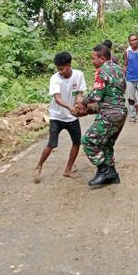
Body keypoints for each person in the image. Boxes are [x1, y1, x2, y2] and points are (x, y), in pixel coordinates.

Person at [78, 43, 128, 187]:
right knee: (106, 144)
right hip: (121, 113)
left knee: (88, 141)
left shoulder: (102, 71)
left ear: (102, 58)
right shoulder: (119, 69)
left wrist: (83, 101)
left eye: (93, 58)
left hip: (109, 115)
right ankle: (112, 175)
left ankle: (104, 170)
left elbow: (96, 96)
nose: (92, 61)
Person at [33, 52, 86, 183]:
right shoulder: (55, 79)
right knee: (51, 144)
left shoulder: (79, 75)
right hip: (57, 116)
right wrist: (69, 107)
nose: (60, 71)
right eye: (58, 69)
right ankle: (39, 166)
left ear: (69, 65)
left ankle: (68, 169)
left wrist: (79, 99)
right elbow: (57, 98)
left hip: (72, 118)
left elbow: (80, 92)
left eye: (62, 69)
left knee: (77, 142)